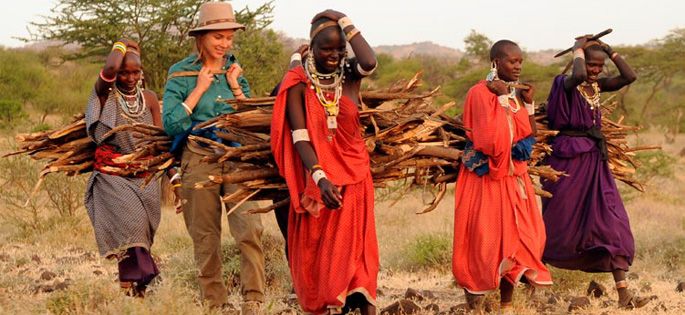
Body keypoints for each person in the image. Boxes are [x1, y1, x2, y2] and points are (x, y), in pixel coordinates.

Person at [270, 9, 379, 315]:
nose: (334, 54)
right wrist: (319, 177)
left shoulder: (350, 76)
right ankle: (334, 301)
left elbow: (369, 61)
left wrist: (346, 21)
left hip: (357, 177)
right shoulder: (299, 85)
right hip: (324, 182)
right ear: (312, 48)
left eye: (339, 48)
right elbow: (300, 136)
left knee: (360, 255)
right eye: (326, 48)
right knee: (328, 256)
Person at [162, 2, 265, 313]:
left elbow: (253, 118)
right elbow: (172, 124)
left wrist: (235, 86)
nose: (225, 44)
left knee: (250, 229)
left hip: (237, 155)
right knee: (205, 235)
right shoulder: (180, 73)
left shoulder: (235, 70)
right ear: (202, 37)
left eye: (229, 38)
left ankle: (254, 300)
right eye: (218, 37)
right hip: (198, 158)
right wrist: (198, 89)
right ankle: (215, 303)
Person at [541, 36, 649, 308]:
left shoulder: (596, 87)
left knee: (610, 221)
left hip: (593, 159)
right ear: (579, 60)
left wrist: (609, 49)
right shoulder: (564, 83)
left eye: (600, 66)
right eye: (591, 65)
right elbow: (577, 74)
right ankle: (530, 284)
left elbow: (629, 76)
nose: (595, 71)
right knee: (558, 222)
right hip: (566, 160)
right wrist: (578, 48)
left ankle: (624, 294)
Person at [452, 40, 552, 313]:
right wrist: (498, 98)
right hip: (484, 181)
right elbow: (491, 142)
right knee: (482, 241)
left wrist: (528, 105)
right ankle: (474, 304)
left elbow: (527, 137)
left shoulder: (514, 95)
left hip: (513, 180)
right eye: (512, 61)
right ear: (495, 62)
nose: (518, 66)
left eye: (520, 61)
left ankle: (507, 306)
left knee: (521, 242)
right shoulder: (478, 92)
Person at [84, 38, 162, 297]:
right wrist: (120, 45)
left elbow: (159, 138)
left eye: (135, 72)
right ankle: (148, 278)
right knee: (132, 228)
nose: (129, 77)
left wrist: (172, 176)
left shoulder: (149, 98)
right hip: (112, 174)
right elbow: (108, 70)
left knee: (140, 235)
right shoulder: (104, 94)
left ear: (142, 73)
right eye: (124, 71)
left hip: (144, 175)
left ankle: (132, 291)